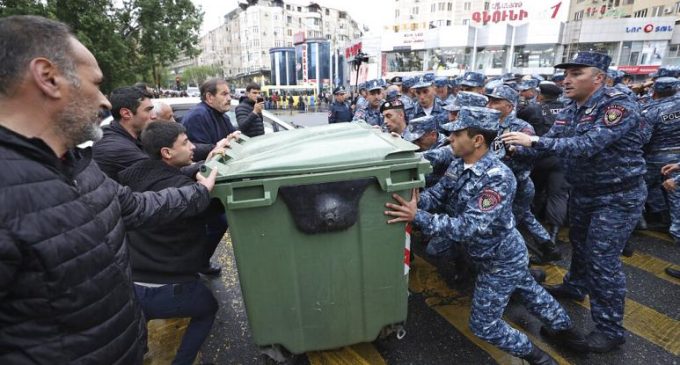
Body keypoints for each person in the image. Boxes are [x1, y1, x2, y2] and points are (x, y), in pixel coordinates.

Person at [0, 15, 218, 364]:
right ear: (48, 77)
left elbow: (137, 207)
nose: (105, 102)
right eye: (97, 84)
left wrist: (198, 190)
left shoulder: (77, 165)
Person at [385, 106, 586, 365]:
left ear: (477, 140)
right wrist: (413, 201)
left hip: (500, 259)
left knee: (485, 325)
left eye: (456, 135)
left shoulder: (497, 178)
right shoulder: (460, 164)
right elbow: (439, 194)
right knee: (529, 292)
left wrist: (417, 216)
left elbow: (469, 226)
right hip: (488, 253)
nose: (450, 140)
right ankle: (568, 333)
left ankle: (539, 358)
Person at [502, 51, 646, 353]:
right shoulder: (570, 108)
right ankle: (575, 286)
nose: (566, 80)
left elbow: (588, 145)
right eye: (565, 74)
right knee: (580, 245)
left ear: (599, 78)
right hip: (583, 191)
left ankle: (610, 329)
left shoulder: (618, 104)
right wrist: (515, 151)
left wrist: (535, 141)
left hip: (617, 196)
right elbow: (551, 145)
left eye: (576, 73)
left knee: (602, 261)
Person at [119, 121, 226, 365]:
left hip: (129, 283)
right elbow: (214, 210)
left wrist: (201, 164)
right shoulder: (187, 195)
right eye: (185, 142)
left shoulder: (131, 175)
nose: (192, 147)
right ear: (167, 152)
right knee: (208, 308)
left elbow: (166, 177)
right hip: (168, 288)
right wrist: (204, 188)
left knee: (137, 329)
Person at [486, 85, 559, 262]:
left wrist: (513, 150)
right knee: (524, 216)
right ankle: (548, 247)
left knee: (512, 221)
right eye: (489, 101)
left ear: (510, 106)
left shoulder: (521, 127)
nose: (489, 105)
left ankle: (520, 259)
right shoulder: (489, 123)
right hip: (497, 183)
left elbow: (534, 153)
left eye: (496, 102)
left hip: (519, 183)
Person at [529, 82, 569, 247]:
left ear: (541, 95)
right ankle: (553, 233)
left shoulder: (534, 110)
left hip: (540, 158)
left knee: (534, 191)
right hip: (562, 157)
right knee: (557, 195)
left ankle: (532, 225)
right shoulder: (568, 110)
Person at [92, 86, 157, 180]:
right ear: (126, 114)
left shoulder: (134, 136)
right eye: (148, 110)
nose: (154, 116)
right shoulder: (115, 147)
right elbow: (159, 175)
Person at [641, 77, 680, 229]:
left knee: (641, 186)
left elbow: (643, 137)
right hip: (677, 158)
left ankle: (652, 217)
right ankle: (672, 224)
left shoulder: (652, 109)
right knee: (675, 191)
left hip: (656, 155)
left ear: (655, 91)